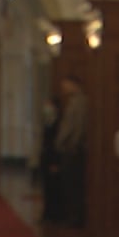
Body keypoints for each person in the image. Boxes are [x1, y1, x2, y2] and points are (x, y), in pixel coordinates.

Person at [55, 75, 88, 227]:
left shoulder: (80, 102)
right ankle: (69, 215)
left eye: (66, 84)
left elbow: (78, 126)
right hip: (67, 147)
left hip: (72, 149)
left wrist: (72, 144)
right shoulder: (73, 101)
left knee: (73, 185)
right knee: (67, 184)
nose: (63, 88)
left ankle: (74, 217)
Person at [38, 96, 63, 224]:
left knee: (53, 189)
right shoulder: (48, 121)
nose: (46, 108)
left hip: (53, 158)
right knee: (46, 187)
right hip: (46, 156)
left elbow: (56, 143)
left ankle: (53, 215)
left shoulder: (58, 123)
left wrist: (55, 162)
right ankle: (47, 214)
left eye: (49, 105)